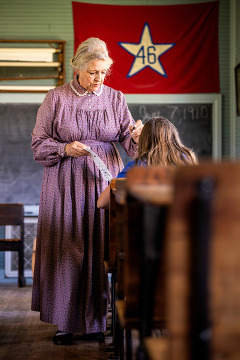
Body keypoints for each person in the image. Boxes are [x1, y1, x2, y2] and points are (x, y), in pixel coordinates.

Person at [31, 37, 143, 345]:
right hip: (64, 184)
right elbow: (38, 147)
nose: (99, 79)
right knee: (68, 248)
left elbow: (132, 146)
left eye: (103, 73)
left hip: (104, 184)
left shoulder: (116, 99)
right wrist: (65, 148)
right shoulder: (55, 98)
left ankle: (97, 321)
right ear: (78, 68)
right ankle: (66, 322)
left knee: (102, 249)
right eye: (93, 72)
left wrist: (139, 135)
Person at [97, 116, 198, 209]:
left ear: (145, 140)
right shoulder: (188, 159)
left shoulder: (136, 167)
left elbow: (101, 203)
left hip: (148, 224)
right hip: (184, 223)